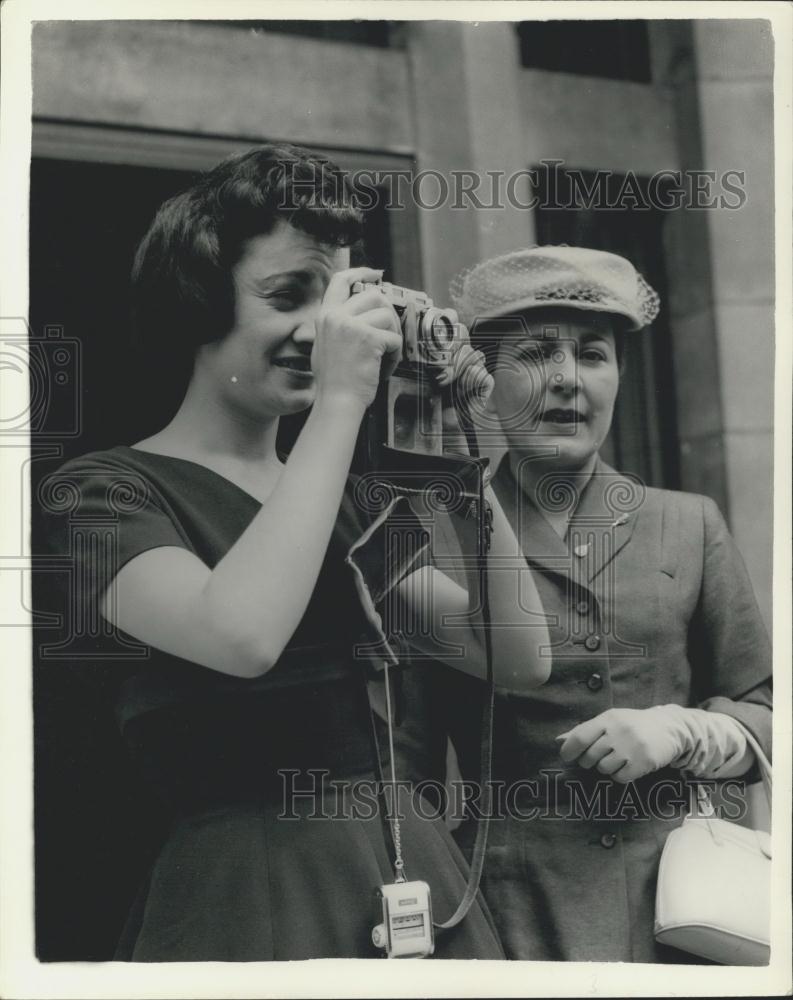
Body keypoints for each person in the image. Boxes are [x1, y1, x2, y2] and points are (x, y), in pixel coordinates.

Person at [41, 146, 552, 961]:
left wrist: (457, 444)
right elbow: (240, 636)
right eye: (288, 296)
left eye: (338, 300)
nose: (320, 332)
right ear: (198, 301)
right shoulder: (100, 492)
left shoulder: (341, 499)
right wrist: (342, 403)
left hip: (401, 868)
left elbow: (515, 656)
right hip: (253, 888)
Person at [397, 245, 773, 963]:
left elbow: (764, 710)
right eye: (536, 353)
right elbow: (404, 769)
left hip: (673, 913)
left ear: (618, 374)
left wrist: (683, 731)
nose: (568, 381)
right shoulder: (432, 537)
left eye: (593, 355)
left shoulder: (686, 523)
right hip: (500, 917)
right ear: (482, 376)